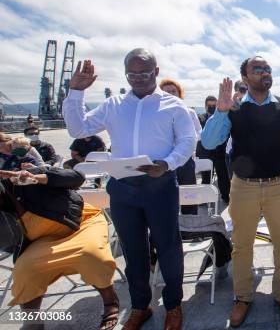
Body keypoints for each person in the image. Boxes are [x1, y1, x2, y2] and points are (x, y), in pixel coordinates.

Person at [62, 50, 196, 330]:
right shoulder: (113, 105)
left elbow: (186, 142)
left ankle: (173, 305)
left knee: (169, 247)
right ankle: (139, 307)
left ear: (156, 72)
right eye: (132, 75)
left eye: (144, 74)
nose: (138, 79)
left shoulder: (174, 106)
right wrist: (75, 92)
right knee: (133, 252)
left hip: (160, 185)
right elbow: (78, 128)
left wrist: (167, 163)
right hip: (123, 188)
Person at [202, 56, 280, 327]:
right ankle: (243, 297)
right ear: (246, 78)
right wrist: (221, 111)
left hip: (279, 186)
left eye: (268, 69)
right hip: (243, 187)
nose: (264, 73)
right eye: (257, 69)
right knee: (242, 245)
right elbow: (210, 141)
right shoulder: (233, 109)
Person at [0, 167, 119, 330]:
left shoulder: (22, 175)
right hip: (44, 240)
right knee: (24, 270)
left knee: (90, 255)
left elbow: (77, 178)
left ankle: (111, 303)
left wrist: (37, 177)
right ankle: (32, 321)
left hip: (82, 224)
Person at [160, 78, 201, 214]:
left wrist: (186, 140)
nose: (171, 94)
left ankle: (190, 230)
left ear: (179, 93)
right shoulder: (156, 114)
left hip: (185, 159)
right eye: (166, 92)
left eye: (173, 91)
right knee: (164, 199)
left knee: (189, 196)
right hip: (162, 160)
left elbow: (198, 133)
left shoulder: (189, 112)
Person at [196, 95, 231, 204]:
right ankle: (204, 199)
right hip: (204, 153)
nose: (211, 107)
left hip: (220, 152)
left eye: (214, 105)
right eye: (209, 105)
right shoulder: (200, 118)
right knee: (206, 177)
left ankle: (226, 197)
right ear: (205, 106)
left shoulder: (223, 118)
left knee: (223, 176)